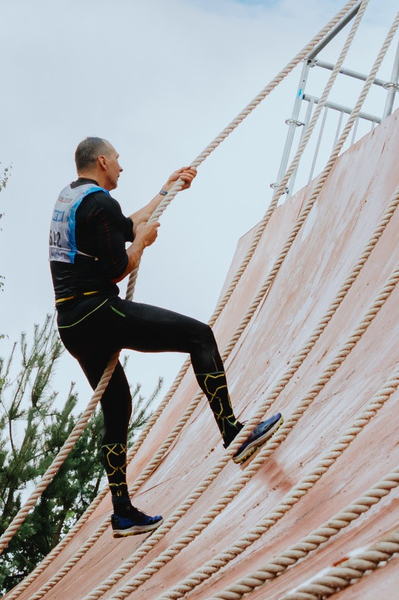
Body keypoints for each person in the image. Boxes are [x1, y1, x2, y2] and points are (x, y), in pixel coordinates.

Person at [50, 137, 283, 535]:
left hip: (71, 324)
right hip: (98, 312)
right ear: (102, 161)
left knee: (117, 406)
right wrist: (142, 244)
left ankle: (122, 511)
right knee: (200, 336)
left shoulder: (71, 198)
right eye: (118, 160)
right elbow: (119, 266)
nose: (121, 167)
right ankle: (232, 433)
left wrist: (166, 190)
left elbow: (124, 226)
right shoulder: (100, 203)